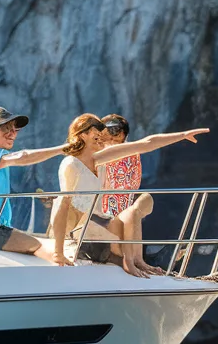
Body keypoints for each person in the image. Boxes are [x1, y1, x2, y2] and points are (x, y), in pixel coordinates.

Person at [51, 113, 208, 277]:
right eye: (98, 137)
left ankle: (137, 261)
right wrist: (58, 252)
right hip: (78, 226)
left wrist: (182, 135)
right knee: (126, 222)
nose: (103, 140)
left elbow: (146, 143)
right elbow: (63, 204)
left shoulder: (99, 158)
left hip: (95, 219)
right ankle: (133, 262)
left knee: (132, 214)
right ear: (83, 135)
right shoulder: (73, 163)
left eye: (102, 136)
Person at [0, 106, 64, 261]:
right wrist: (62, 149)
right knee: (42, 247)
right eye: (5, 128)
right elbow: (22, 157)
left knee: (37, 246)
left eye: (15, 129)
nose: (12, 134)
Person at [99, 113, 139, 216]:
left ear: (120, 133)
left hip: (110, 210)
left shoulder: (124, 152)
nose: (101, 134)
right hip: (122, 210)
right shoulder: (133, 151)